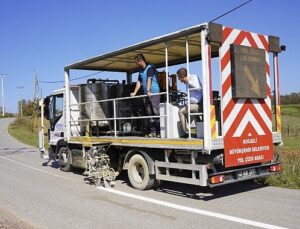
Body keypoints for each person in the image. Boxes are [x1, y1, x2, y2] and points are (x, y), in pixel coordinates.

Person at [130, 54, 160, 137]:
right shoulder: (141, 71)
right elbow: (139, 82)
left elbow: (149, 79)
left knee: (155, 112)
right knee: (149, 113)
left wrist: (148, 90)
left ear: (140, 61)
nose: (136, 64)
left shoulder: (150, 67)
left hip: (153, 93)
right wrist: (134, 93)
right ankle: (153, 132)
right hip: (145, 95)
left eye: (136, 62)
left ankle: (159, 132)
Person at [177, 67, 203, 138]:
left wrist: (189, 82)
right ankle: (200, 133)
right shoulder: (187, 81)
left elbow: (199, 88)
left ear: (183, 77)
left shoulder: (193, 77)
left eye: (180, 79)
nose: (180, 81)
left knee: (181, 112)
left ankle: (187, 132)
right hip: (193, 105)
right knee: (194, 115)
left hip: (198, 104)